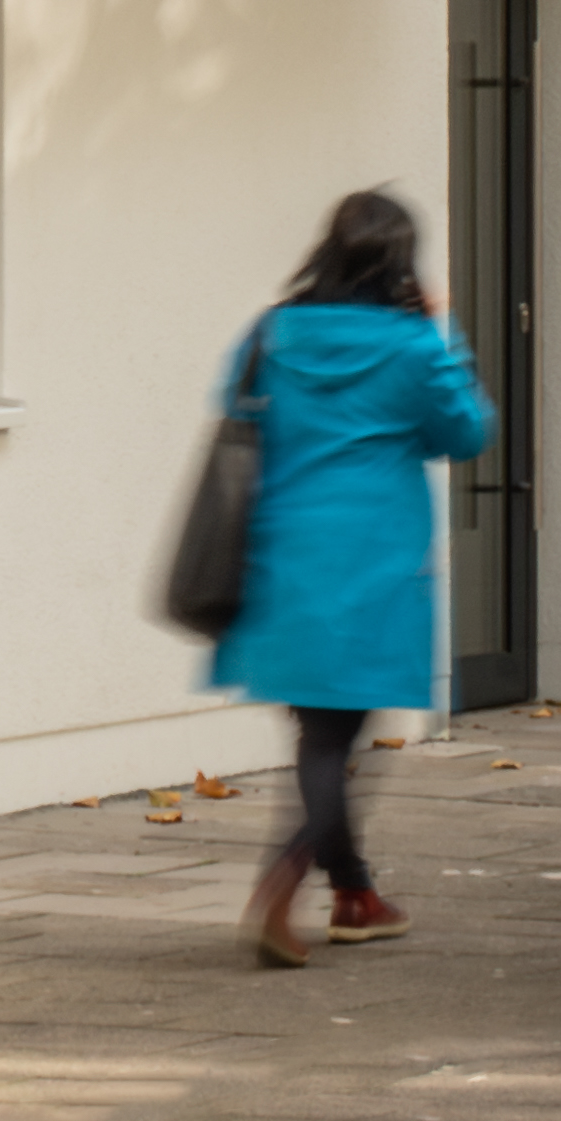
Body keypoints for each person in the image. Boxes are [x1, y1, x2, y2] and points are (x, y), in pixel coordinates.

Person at [209, 186, 496, 963]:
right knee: (336, 741)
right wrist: (441, 334)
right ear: (399, 262)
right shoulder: (410, 346)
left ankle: (355, 895)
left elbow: (231, 407)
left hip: (281, 559)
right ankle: (281, 878)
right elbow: (467, 431)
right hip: (372, 564)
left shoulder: (271, 332)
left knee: (319, 730)